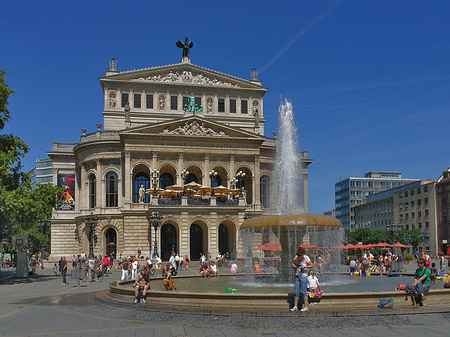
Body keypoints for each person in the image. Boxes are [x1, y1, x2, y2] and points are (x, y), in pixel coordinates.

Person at [290, 245, 313, 312]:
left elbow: (311, 265)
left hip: (304, 276)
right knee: (296, 291)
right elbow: (293, 263)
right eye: (299, 256)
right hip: (297, 276)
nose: (300, 257)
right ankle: (295, 306)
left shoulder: (306, 258)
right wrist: (294, 266)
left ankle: (306, 306)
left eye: (300, 256)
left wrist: (305, 267)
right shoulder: (296, 257)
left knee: (304, 292)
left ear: (303, 254)